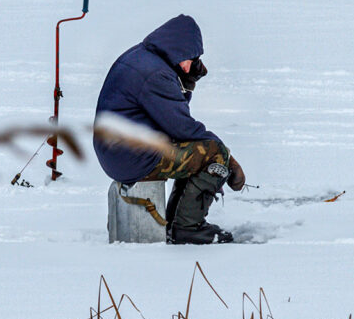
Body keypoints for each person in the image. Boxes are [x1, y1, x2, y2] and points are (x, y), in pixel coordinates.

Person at [93, 14, 245, 244]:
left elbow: (170, 119)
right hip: (133, 158)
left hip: (117, 152)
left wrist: (186, 83)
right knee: (213, 153)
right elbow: (182, 127)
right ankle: (187, 228)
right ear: (179, 50)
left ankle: (175, 222)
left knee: (197, 151)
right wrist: (227, 157)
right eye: (191, 58)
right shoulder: (157, 75)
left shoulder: (141, 56)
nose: (190, 64)